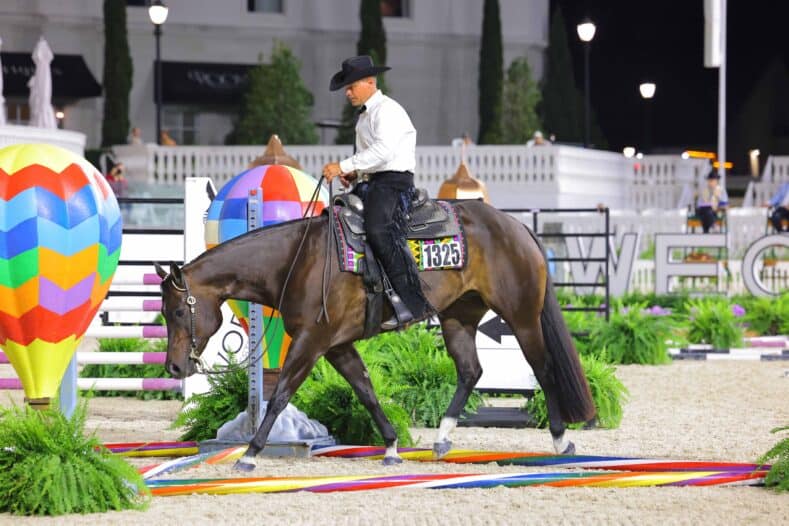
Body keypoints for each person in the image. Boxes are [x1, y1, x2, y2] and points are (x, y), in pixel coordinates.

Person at [322, 55, 430, 330]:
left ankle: (413, 304)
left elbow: (384, 152)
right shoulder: (366, 117)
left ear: (370, 82)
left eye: (351, 86)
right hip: (373, 182)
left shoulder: (388, 111)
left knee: (380, 230)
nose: (347, 92)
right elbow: (372, 157)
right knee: (337, 220)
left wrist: (344, 166)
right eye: (346, 87)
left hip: (393, 183)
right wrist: (354, 174)